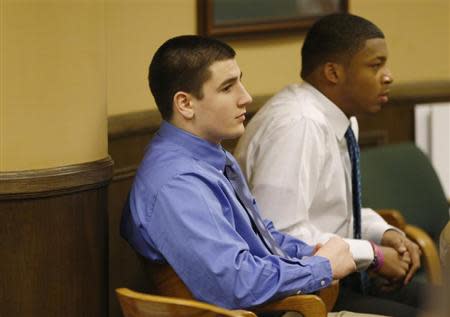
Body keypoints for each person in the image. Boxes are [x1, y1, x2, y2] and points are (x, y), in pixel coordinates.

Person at [120, 34, 382, 317]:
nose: (245, 97)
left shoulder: (210, 156)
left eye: (240, 82)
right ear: (185, 104)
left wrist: (313, 252)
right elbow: (235, 283)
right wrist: (321, 266)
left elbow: (265, 238)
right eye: (227, 87)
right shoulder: (178, 183)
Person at [235, 14, 425, 317]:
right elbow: (281, 235)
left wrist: (382, 233)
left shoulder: (341, 117)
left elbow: (331, 210)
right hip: (300, 293)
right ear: (333, 73)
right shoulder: (299, 125)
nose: (388, 76)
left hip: (339, 275)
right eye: (375, 66)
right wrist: (372, 256)